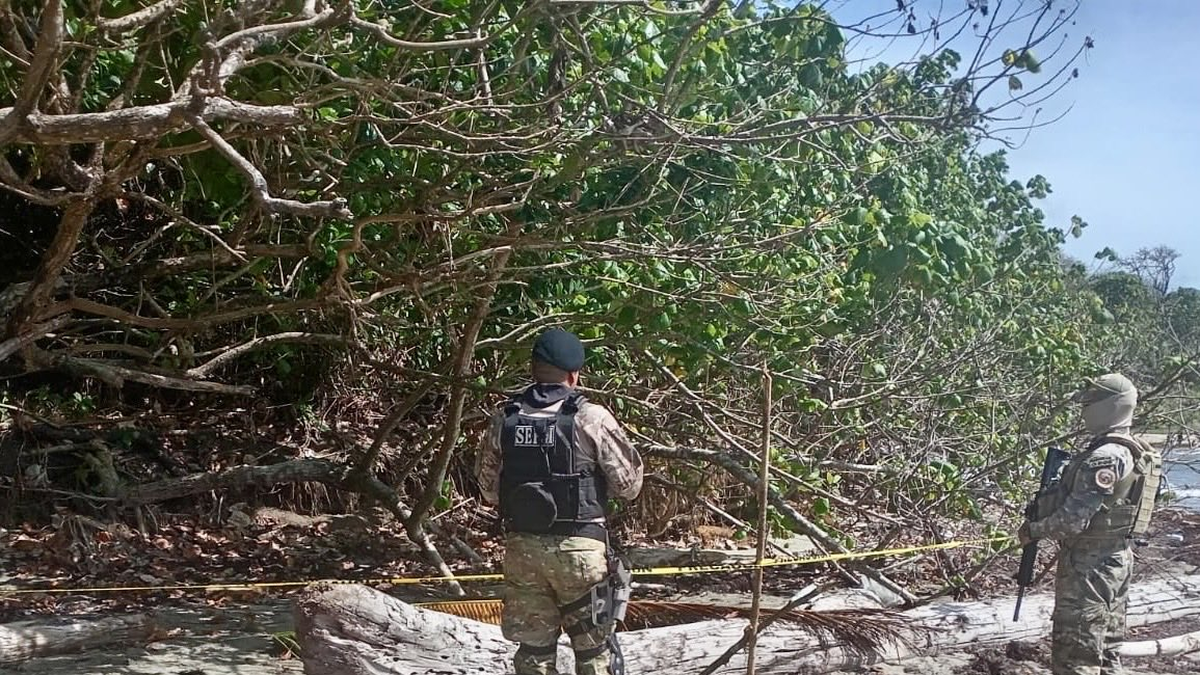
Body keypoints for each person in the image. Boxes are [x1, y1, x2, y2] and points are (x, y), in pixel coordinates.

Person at [474, 327, 644, 675]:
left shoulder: (505, 418)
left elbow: (488, 490)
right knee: (594, 655)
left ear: (534, 369)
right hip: (580, 553)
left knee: (533, 656)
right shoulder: (590, 417)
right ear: (573, 375)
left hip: (523, 552)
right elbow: (629, 485)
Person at [1019, 373, 1163, 675]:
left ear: (1111, 406)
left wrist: (1033, 531)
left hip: (1090, 566)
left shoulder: (1105, 456)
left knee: (1077, 654)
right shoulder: (1133, 450)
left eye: (1089, 403)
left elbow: (1073, 521)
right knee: (1107, 652)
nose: (1084, 410)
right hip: (1115, 558)